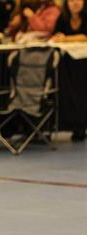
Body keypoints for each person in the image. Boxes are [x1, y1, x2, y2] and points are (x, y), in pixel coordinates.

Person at [51, 0, 87, 141]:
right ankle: (73, 124)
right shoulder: (63, 18)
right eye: (71, 0)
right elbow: (55, 35)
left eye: (78, 0)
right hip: (68, 64)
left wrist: (66, 39)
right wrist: (59, 38)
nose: (75, 3)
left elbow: (84, 36)